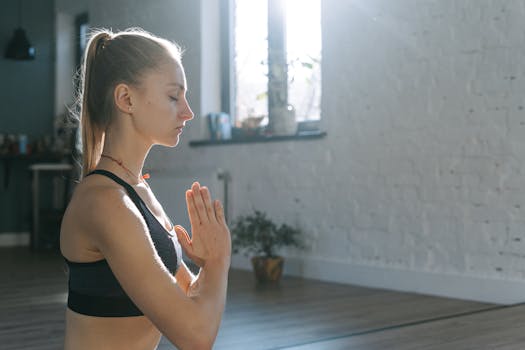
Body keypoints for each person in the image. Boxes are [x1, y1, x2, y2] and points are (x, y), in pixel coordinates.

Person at [59, 27, 231, 350]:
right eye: (173, 96)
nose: (188, 111)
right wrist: (220, 262)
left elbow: (189, 301)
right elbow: (195, 336)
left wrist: (208, 267)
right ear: (126, 99)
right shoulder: (106, 203)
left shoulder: (137, 192)